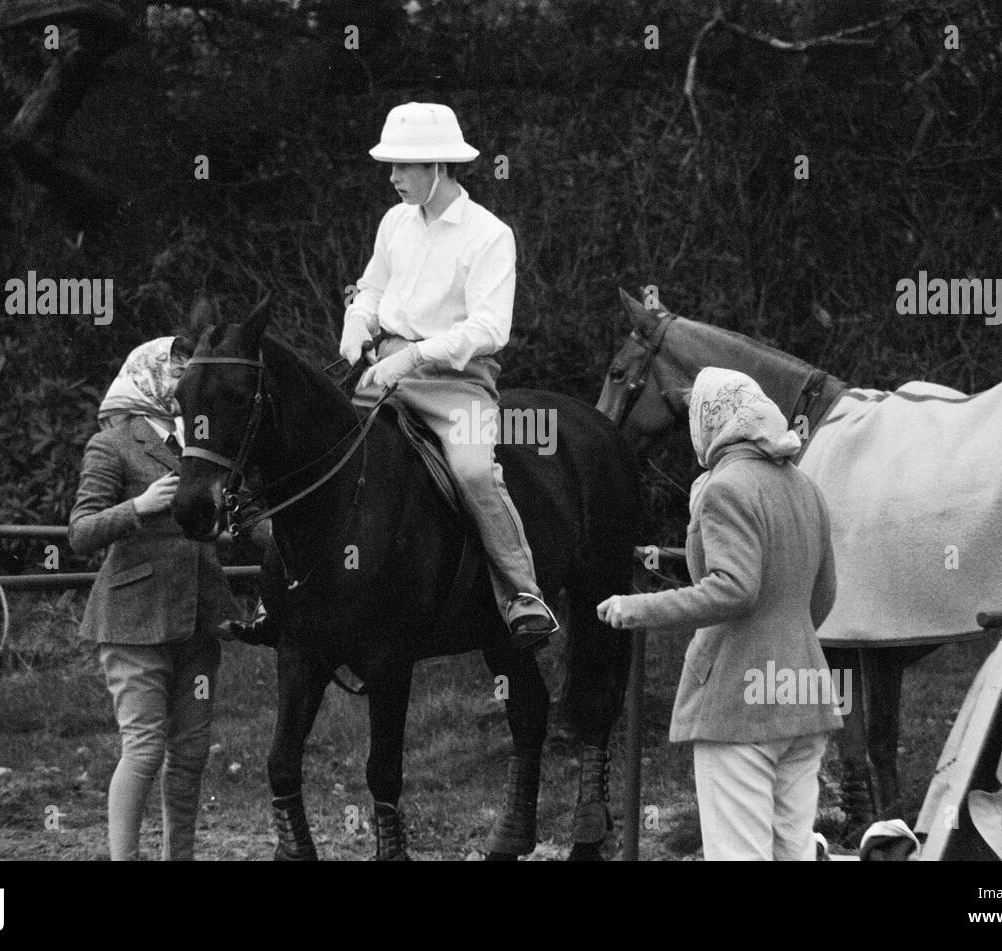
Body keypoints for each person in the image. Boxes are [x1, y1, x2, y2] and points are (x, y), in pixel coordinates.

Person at [596, 368, 841, 860]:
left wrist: (636, 608)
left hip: (739, 702)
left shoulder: (725, 487)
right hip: (804, 695)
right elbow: (824, 595)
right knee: (791, 851)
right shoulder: (805, 487)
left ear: (709, 423)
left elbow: (733, 589)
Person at [340, 101, 558, 650]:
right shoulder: (395, 222)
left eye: (403, 167)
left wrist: (413, 357)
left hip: (455, 382)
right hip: (381, 369)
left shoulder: (489, 235)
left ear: (439, 167)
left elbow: (488, 328)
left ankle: (521, 594)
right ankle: (288, 592)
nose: (392, 178)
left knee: (474, 472)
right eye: (391, 166)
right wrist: (355, 322)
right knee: (320, 447)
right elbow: (371, 287)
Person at [68, 336, 236, 860]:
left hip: (199, 618)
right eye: (176, 369)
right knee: (143, 750)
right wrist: (138, 506)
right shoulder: (113, 443)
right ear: (147, 376)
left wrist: (226, 525)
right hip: (132, 621)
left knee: (190, 754)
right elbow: (79, 532)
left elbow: (213, 527)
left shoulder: (201, 442)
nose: (185, 378)